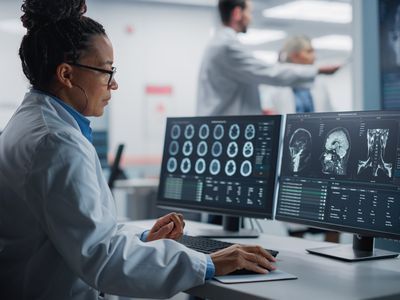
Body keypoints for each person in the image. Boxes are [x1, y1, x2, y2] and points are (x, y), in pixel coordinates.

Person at [0, 1, 276, 299]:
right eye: (106, 72)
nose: (114, 84)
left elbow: (79, 232)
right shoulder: (57, 143)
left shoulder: (32, 121)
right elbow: (102, 259)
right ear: (66, 75)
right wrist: (208, 263)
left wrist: (144, 238)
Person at [196, 0, 340, 117]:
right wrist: (317, 70)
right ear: (237, 13)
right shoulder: (226, 46)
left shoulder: (218, 43)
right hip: (225, 126)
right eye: (249, 12)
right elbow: (271, 72)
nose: (250, 18)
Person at [261, 35, 333, 114]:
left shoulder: (318, 82)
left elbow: (329, 112)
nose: (314, 56)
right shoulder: (275, 82)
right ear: (294, 55)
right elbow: (267, 110)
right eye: (309, 51)